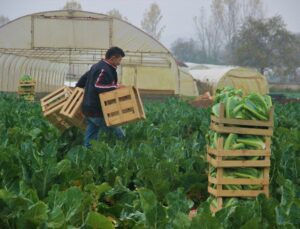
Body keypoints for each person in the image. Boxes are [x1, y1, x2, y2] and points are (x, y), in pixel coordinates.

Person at [76, 47, 125, 147]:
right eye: (119, 59)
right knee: (118, 133)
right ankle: (123, 149)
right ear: (112, 58)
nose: (120, 62)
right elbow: (98, 85)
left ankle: (87, 153)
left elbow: (83, 79)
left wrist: (78, 87)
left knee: (92, 133)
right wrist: (116, 87)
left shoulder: (97, 66)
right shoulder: (104, 69)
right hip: (97, 109)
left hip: (88, 108)